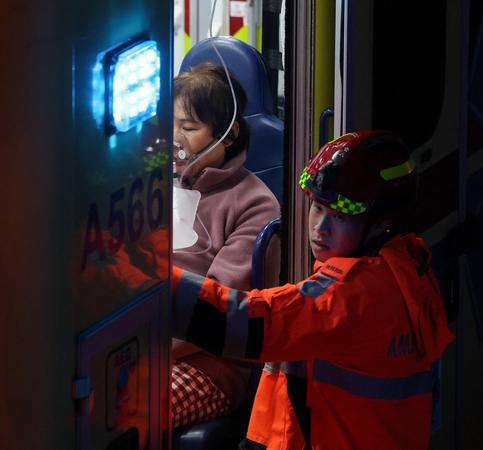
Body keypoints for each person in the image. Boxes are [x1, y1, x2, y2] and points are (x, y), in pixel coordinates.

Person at [172, 130, 454, 449]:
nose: (320, 229)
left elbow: (246, 324)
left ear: (379, 224)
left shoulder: (353, 295)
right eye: (318, 209)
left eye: (340, 217)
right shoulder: (408, 268)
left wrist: (152, 280)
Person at [171, 62, 280, 429]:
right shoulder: (151, 185)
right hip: (136, 346)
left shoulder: (254, 203)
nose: (174, 139)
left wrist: (145, 346)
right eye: (168, 125)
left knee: (115, 409)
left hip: (206, 364)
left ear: (228, 135)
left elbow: (219, 311)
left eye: (188, 127)